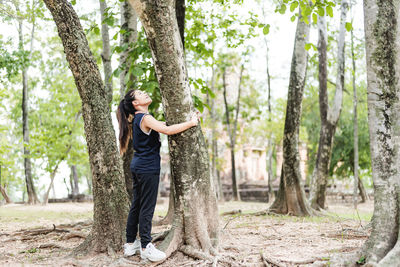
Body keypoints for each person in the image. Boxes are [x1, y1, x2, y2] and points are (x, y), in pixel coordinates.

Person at [116, 89, 198, 262]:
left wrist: (185, 120)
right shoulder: (145, 118)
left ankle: (130, 244)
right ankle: (146, 247)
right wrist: (191, 123)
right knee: (147, 207)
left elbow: (163, 124)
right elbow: (167, 130)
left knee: (137, 205)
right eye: (140, 93)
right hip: (147, 168)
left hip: (138, 166)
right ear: (135, 103)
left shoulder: (141, 118)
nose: (145, 93)